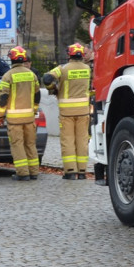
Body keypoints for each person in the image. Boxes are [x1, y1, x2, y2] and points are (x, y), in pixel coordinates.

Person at [43, 43, 92, 179]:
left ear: (69, 54)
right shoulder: (87, 68)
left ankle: (70, 171)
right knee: (82, 141)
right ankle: (82, 171)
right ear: (82, 55)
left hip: (67, 112)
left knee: (68, 140)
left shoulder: (63, 69)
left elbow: (47, 78)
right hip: (83, 111)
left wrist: (53, 88)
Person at [0, 45, 41, 181]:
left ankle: (22, 173)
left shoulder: (8, 76)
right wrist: (34, 110)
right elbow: (37, 95)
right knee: (30, 145)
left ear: (12, 59)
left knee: (18, 145)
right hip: (29, 118)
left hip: (15, 119)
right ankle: (34, 172)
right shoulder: (31, 74)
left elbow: (3, 99)